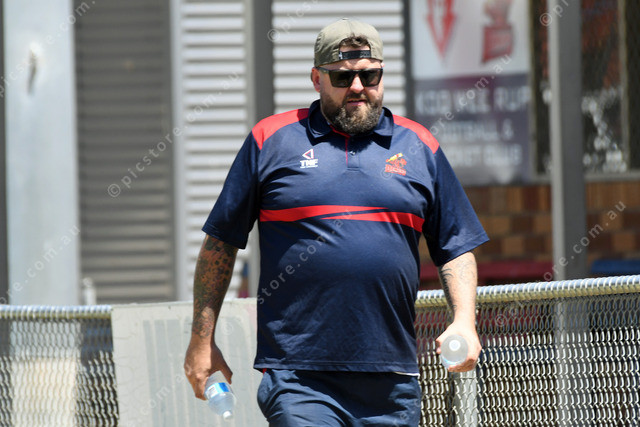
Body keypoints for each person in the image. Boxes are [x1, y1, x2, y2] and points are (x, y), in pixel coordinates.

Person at [184, 18, 488, 426]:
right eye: (343, 77)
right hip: (300, 377)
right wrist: (201, 340)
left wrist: (465, 321)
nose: (358, 87)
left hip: (392, 381)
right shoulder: (271, 140)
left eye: (369, 75)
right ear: (317, 79)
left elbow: (455, 247)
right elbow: (220, 244)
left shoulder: (420, 145)